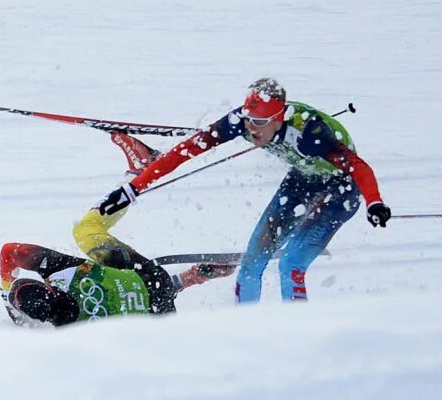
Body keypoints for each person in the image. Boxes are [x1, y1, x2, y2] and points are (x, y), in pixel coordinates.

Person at [91, 78, 391, 303]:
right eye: (248, 118)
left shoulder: (311, 134)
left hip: (341, 188)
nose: (252, 128)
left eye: (260, 122)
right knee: (251, 264)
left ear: (280, 117)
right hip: (302, 179)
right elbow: (185, 151)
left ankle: (300, 333)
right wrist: (132, 189)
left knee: (290, 264)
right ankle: (243, 333)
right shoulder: (240, 122)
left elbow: (358, 167)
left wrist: (374, 202)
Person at [0, 241, 234, 326]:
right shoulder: (62, 270)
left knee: (129, 308)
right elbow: (9, 250)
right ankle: (188, 277)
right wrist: (7, 283)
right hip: (152, 279)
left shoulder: (68, 335)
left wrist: (10, 303)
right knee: (86, 233)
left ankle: (189, 279)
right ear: (48, 287)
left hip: (160, 318)